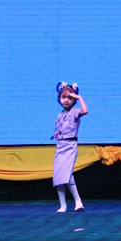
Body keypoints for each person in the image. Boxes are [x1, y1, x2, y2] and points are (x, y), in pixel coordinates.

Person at [53, 82, 87, 213]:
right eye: (63, 97)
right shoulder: (59, 115)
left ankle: (78, 201)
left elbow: (85, 111)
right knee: (58, 175)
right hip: (60, 146)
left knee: (67, 173)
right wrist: (57, 133)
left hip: (70, 146)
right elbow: (59, 128)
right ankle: (63, 205)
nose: (66, 100)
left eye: (69, 98)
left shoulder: (75, 112)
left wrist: (79, 97)